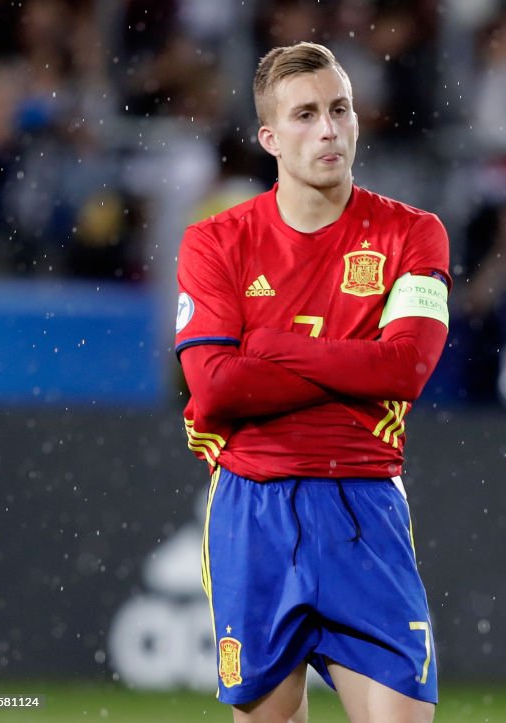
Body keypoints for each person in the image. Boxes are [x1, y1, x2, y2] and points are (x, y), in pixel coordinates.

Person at [174, 41, 449, 723]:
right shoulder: (215, 241)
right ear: (269, 137)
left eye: (340, 109)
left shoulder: (414, 234)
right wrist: (350, 360)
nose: (328, 129)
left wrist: (268, 348)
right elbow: (214, 389)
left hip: (363, 505)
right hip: (253, 507)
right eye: (304, 115)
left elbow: (405, 370)